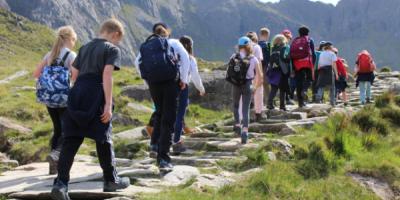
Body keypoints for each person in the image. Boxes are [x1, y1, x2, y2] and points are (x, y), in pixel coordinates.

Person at [51, 19, 130, 200]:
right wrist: (108, 105)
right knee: (104, 138)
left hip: (77, 93)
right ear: (115, 34)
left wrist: (78, 94)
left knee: (71, 140)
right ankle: (111, 180)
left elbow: (74, 74)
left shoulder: (84, 47)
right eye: (119, 39)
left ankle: (61, 184)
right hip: (96, 92)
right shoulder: (111, 49)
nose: (118, 43)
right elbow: (107, 75)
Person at [135, 23, 190, 170]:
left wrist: (148, 80)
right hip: (171, 83)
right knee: (169, 119)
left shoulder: (147, 45)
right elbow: (185, 58)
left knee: (159, 113)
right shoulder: (173, 42)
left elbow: (137, 63)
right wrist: (183, 79)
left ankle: (154, 144)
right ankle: (163, 158)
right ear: (167, 32)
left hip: (154, 84)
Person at [33, 26, 78, 175]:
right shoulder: (71, 55)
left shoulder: (50, 54)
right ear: (70, 39)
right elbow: (76, 77)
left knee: (57, 129)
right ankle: (57, 156)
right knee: (67, 129)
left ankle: (53, 166)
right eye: (74, 40)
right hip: (65, 98)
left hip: (49, 99)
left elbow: (36, 73)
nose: (74, 43)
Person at [172, 35, 205, 154]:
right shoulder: (190, 59)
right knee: (180, 112)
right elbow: (195, 76)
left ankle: (163, 139)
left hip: (169, 85)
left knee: (169, 111)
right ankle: (176, 140)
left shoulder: (173, 55)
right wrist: (201, 89)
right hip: (182, 85)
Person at [226, 36, 262, 144]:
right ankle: (245, 131)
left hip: (236, 85)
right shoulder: (253, 59)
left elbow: (229, 70)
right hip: (247, 84)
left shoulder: (234, 56)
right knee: (245, 109)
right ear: (249, 46)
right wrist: (255, 87)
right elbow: (260, 76)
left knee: (236, 105)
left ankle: (237, 123)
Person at [290, 26, 316, 108]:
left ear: (299, 33)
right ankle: (304, 90)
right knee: (309, 79)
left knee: (298, 82)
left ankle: (300, 103)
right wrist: (313, 64)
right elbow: (313, 53)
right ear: (308, 33)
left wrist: (293, 66)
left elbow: (291, 54)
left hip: (297, 63)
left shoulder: (295, 40)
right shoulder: (309, 40)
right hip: (307, 62)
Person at [266, 34, 291, 111]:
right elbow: (286, 59)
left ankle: (269, 104)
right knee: (282, 89)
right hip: (281, 71)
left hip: (273, 71)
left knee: (274, 88)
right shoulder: (284, 48)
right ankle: (282, 106)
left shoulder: (273, 48)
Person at [246, 32, 264, 122]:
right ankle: (258, 114)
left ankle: (245, 115)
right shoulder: (257, 47)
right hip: (255, 72)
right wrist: (261, 75)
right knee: (258, 93)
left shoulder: (243, 46)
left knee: (246, 93)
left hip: (245, 74)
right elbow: (259, 61)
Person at [315, 42, 339, 106]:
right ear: (330, 47)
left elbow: (319, 64)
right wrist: (336, 74)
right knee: (332, 87)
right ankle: (332, 102)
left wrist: (318, 71)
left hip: (322, 70)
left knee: (321, 85)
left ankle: (318, 97)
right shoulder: (332, 54)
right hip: (329, 70)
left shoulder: (321, 54)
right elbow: (334, 64)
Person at [281, 29, 296, 105]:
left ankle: (285, 99)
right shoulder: (287, 47)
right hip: (285, 69)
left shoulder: (278, 45)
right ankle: (286, 99)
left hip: (282, 68)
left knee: (284, 84)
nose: (288, 39)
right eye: (287, 37)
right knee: (286, 84)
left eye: (289, 37)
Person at [258, 28, 271, 106]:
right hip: (265, 66)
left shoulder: (256, 44)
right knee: (266, 84)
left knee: (258, 84)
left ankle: (259, 102)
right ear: (267, 35)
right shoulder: (268, 45)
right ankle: (268, 101)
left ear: (260, 34)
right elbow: (269, 57)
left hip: (257, 66)